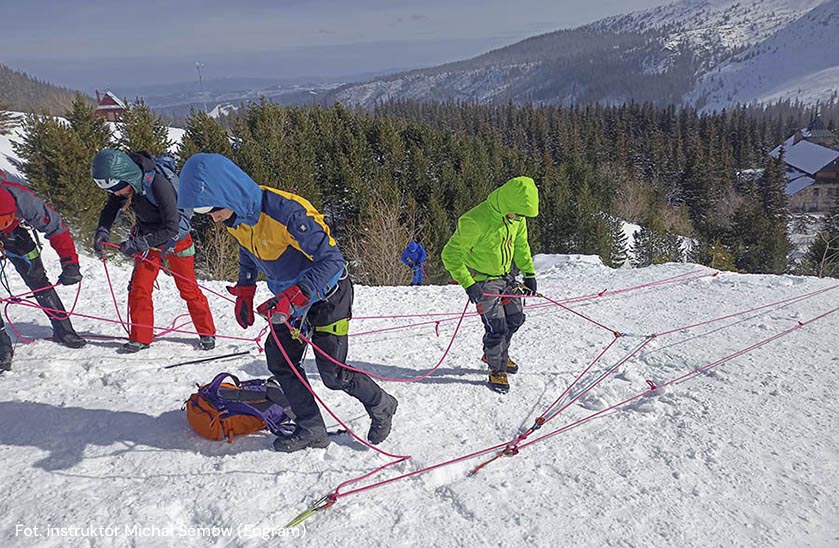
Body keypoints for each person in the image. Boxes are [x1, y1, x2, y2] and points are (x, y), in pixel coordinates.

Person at [177, 153, 398, 452]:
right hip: (288, 301)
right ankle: (312, 429)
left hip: (328, 296)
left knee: (332, 374)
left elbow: (332, 261)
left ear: (228, 192)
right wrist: (245, 289)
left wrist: (295, 297)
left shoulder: (287, 212)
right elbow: (248, 250)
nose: (212, 217)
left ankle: (382, 404)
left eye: (213, 208)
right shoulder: (236, 216)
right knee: (281, 361)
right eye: (206, 211)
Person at [90, 149, 216, 354]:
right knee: (140, 287)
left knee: (188, 289)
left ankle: (207, 332)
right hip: (146, 238)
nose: (116, 194)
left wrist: (139, 244)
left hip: (176, 240)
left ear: (128, 179)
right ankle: (140, 337)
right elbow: (111, 208)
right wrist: (102, 231)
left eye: (118, 189)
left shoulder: (158, 184)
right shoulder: (127, 185)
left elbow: (172, 228)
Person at [441, 176, 539, 394]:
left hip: (506, 277)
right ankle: (497, 367)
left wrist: (529, 273)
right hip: (482, 279)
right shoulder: (476, 221)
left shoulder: (516, 219)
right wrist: (468, 284)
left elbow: (521, 245)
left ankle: (496, 353)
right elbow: (450, 254)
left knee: (515, 318)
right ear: (508, 204)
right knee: (497, 326)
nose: (521, 218)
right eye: (519, 213)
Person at [0, 173, 86, 371]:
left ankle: (64, 330)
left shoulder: (22, 197)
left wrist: (70, 262)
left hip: (15, 234)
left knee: (38, 279)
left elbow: (56, 226)